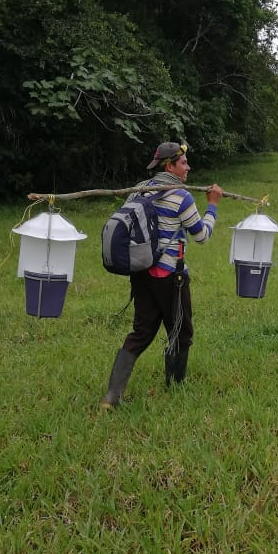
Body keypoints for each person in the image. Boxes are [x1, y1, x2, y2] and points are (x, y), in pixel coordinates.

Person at [100, 141, 223, 409]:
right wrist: (212, 206)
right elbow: (201, 236)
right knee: (180, 331)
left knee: (141, 332)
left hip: (141, 274)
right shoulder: (182, 196)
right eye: (183, 163)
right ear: (169, 166)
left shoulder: (140, 190)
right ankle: (175, 388)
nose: (188, 168)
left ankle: (112, 396)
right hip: (171, 278)